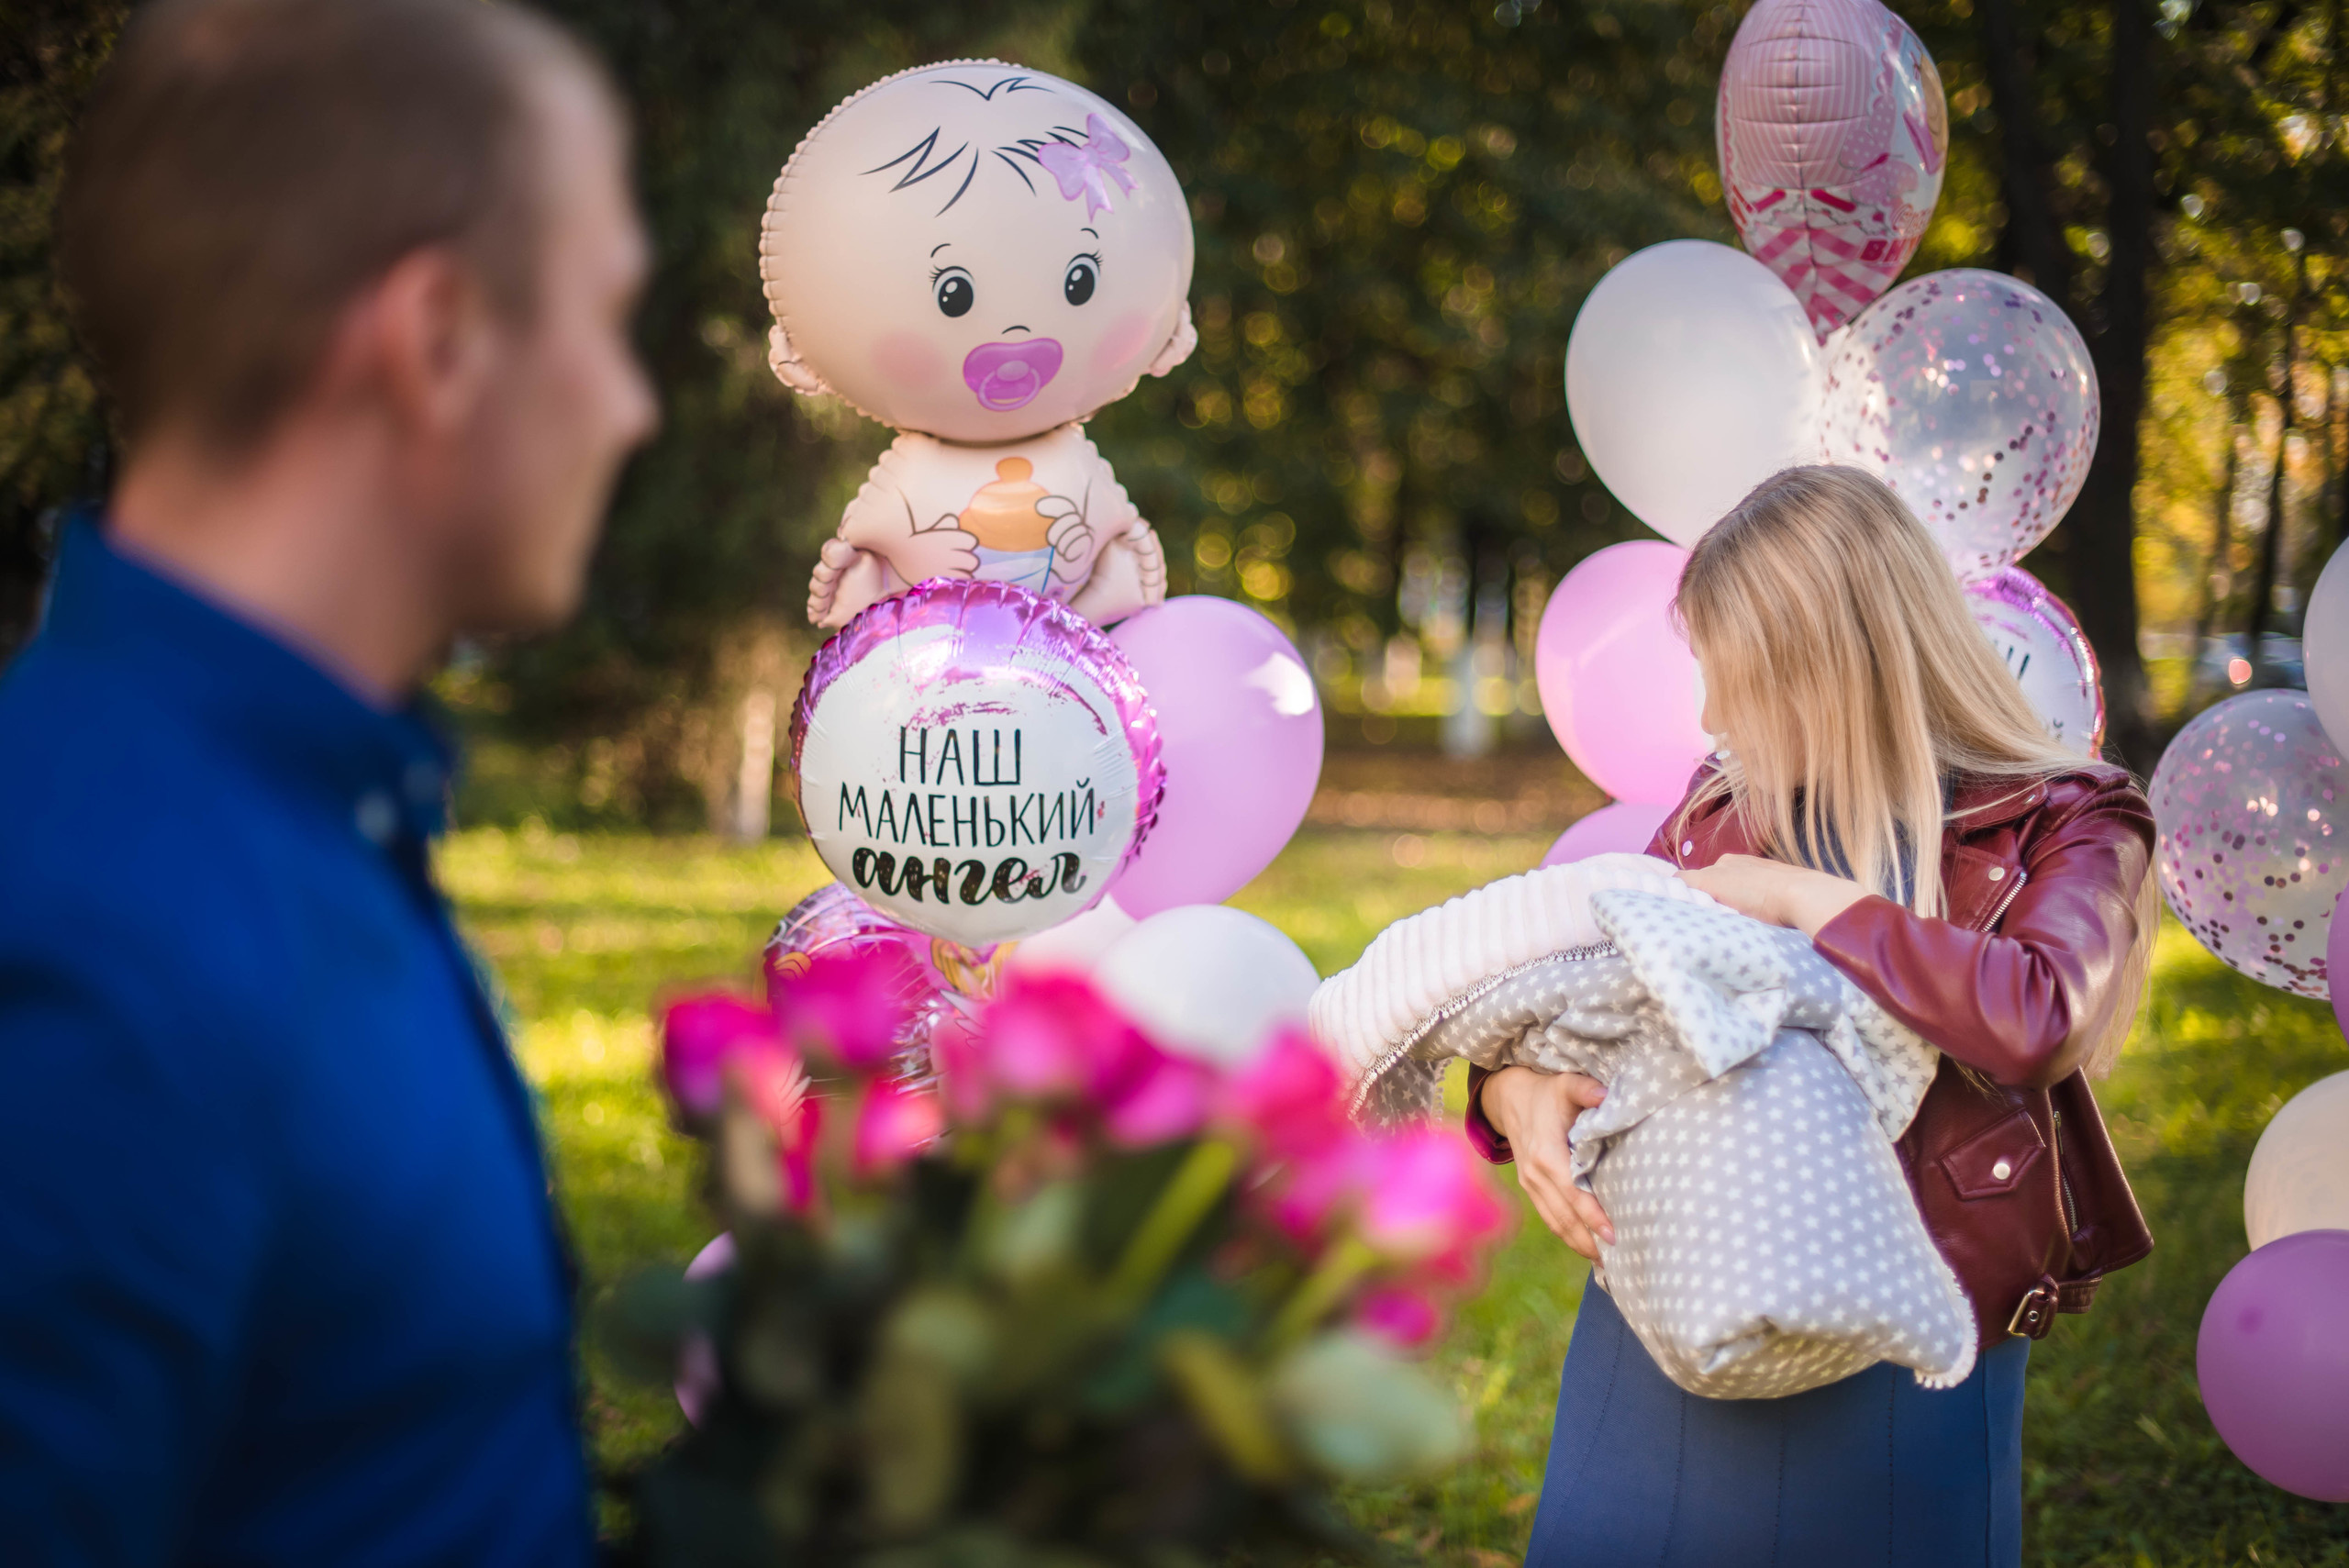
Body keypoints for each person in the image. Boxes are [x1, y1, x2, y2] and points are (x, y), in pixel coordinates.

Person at [0, 0, 655, 1561]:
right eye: (603, 317)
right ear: (436, 336)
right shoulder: (94, 928)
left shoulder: (307, 811)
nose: (629, 405)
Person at [1470, 465, 2156, 1567]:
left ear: (1829, 668)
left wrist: (1809, 899)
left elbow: (2036, 1012)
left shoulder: (2071, 820)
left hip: (1911, 1328)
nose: (1711, 716)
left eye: (1735, 675)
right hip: (1672, 1300)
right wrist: (1515, 1091)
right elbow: (1584, 997)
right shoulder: (1717, 805)